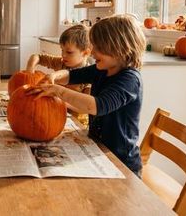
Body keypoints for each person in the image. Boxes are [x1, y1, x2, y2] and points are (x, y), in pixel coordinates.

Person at [28, 14, 146, 177]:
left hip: (120, 162)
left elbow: (97, 106)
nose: (93, 52)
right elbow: (74, 75)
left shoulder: (129, 79)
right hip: (98, 149)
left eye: (98, 48)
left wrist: (58, 91)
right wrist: (55, 77)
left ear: (118, 48)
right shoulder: (102, 68)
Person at [25, 24, 92, 126]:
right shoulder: (61, 62)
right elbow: (37, 57)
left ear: (86, 53)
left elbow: (86, 107)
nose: (63, 55)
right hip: (55, 114)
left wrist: (61, 100)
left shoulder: (91, 76)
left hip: (76, 123)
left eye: (69, 52)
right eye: (62, 50)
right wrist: (29, 72)